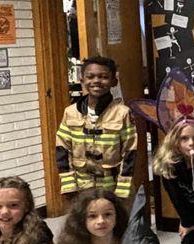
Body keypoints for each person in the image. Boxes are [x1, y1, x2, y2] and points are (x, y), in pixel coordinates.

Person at [56, 55, 137, 199]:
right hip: (81, 187)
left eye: (104, 77)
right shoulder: (70, 113)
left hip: (112, 187)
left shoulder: (122, 113)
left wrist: (122, 189)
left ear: (114, 81)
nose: (96, 81)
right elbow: (62, 149)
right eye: (90, 76)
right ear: (82, 80)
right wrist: (69, 185)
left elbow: (130, 152)